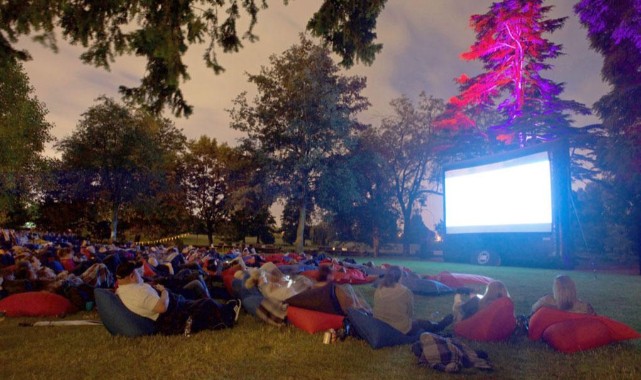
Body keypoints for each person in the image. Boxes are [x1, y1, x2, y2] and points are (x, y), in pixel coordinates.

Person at [115, 260, 241, 335]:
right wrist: (164, 291)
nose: (140, 273)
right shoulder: (137, 293)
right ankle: (229, 313)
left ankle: (226, 308)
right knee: (206, 304)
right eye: (137, 272)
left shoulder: (125, 290)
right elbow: (162, 307)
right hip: (171, 315)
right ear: (132, 276)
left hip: (173, 307)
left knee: (201, 302)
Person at [373, 266, 452, 336]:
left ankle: (437, 327)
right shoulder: (405, 291)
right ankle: (439, 327)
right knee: (420, 324)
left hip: (380, 324)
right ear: (400, 277)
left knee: (417, 323)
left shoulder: (379, 289)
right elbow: (410, 313)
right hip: (399, 328)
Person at [531, 274, 595, 315]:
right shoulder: (585, 308)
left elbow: (533, 311)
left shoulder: (545, 302)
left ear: (556, 289)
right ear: (573, 288)